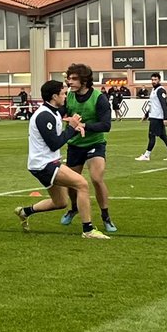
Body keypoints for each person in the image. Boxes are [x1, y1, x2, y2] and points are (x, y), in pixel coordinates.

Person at [13, 79, 109, 240]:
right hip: (44, 164)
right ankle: (88, 230)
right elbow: (54, 143)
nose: (66, 96)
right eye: (63, 93)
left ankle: (25, 211)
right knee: (82, 185)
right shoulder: (44, 116)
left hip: (46, 162)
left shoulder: (53, 112)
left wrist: (74, 127)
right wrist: (72, 128)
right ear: (54, 96)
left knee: (60, 202)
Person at [58, 64, 116, 234]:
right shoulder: (69, 96)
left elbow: (106, 125)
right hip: (75, 145)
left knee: (96, 178)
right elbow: (61, 113)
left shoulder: (99, 98)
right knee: (71, 182)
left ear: (84, 80)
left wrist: (83, 125)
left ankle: (105, 216)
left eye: (74, 79)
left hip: (95, 143)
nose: (70, 82)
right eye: (69, 79)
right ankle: (74, 208)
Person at [136, 73, 167, 163]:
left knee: (151, 135)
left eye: (155, 79)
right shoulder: (154, 90)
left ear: (159, 80)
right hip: (154, 115)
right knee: (163, 136)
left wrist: (166, 117)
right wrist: (146, 115)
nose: (153, 81)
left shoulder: (160, 90)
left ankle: (147, 155)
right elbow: (152, 105)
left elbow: (164, 104)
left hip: (157, 117)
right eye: (152, 79)